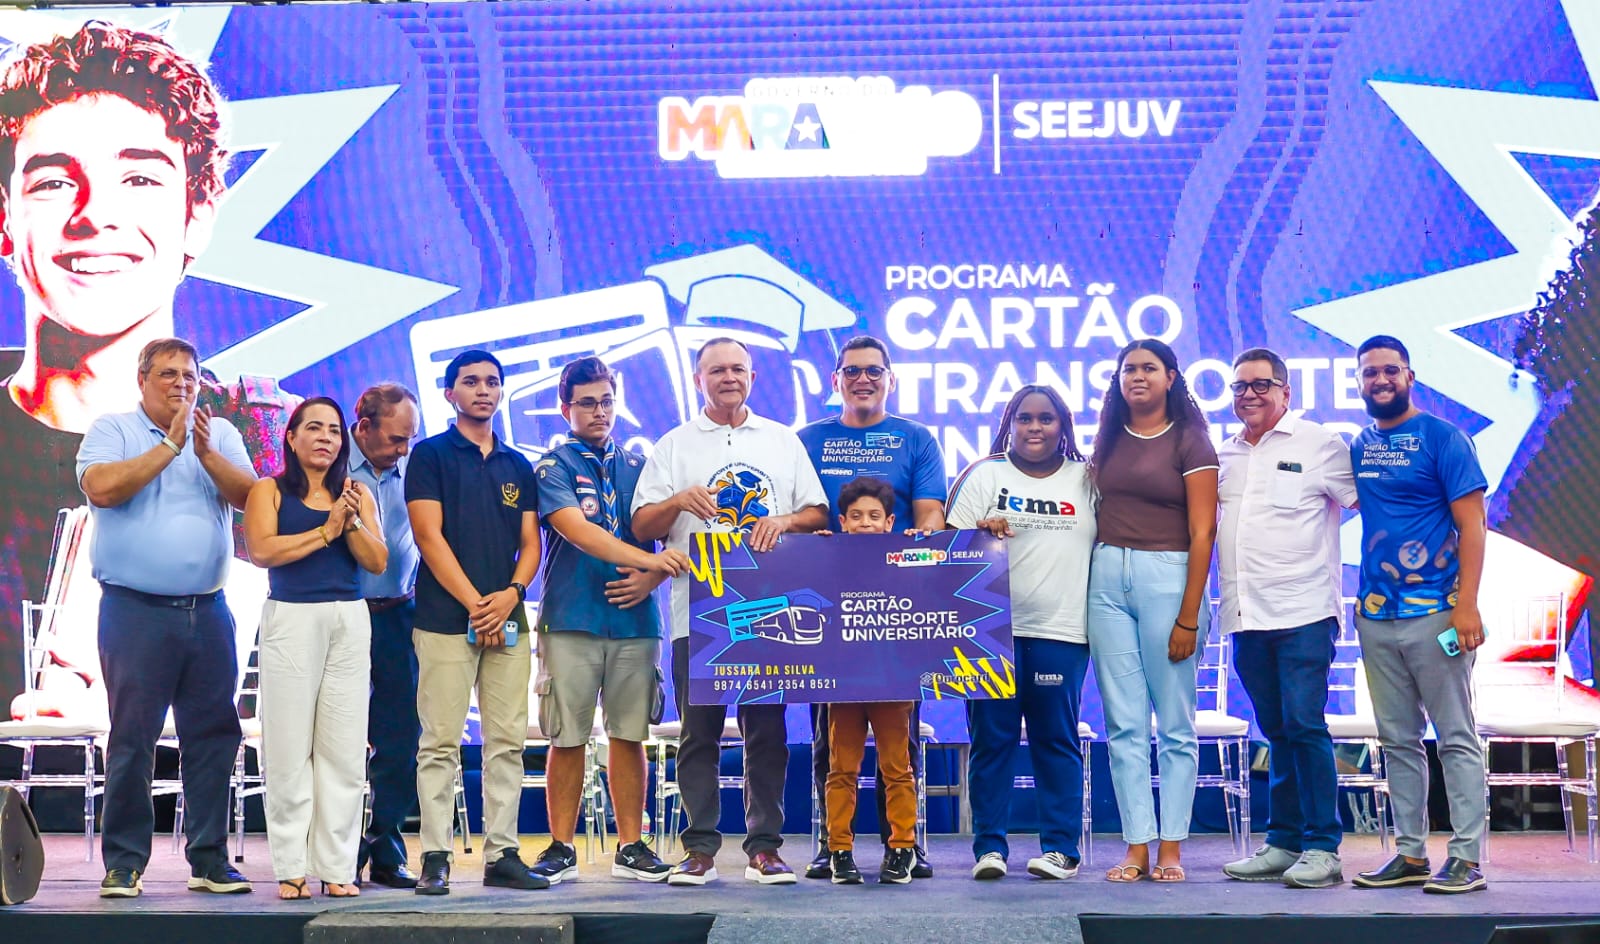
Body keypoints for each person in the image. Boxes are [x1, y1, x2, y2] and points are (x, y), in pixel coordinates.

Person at [0, 22, 296, 713]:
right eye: (53, 182)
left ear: (199, 214)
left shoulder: (271, 440)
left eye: (138, 177)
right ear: (6, 218)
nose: (95, 215)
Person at [632, 336, 828, 886]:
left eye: (738, 369)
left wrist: (783, 521)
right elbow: (642, 524)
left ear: (752, 377)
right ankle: (699, 850)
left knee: (767, 732)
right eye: (716, 370)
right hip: (697, 611)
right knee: (699, 734)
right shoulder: (674, 444)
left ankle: (765, 849)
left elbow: (817, 513)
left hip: (769, 611)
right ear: (699, 380)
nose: (728, 378)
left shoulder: (782, 440)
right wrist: (677, 501)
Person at [76, 337, 257, 898]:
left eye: (190, 375)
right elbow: (101, 489)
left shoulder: (219, 433)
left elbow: (252, 498)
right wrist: (171, 445)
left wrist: (204, 453)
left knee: (214, 736)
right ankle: (124, 863)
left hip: (209, 610)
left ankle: (209, 860)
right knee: (133, 738)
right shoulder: (112, 429)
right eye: (168, 374)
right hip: (135, 610)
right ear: (142, 379)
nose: (182, 383)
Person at [529, 355, 689, 884]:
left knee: (629, 734)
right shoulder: (552, 467)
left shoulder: (642, 466)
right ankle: (560, 846)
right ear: (565, 408)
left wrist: (652, 578)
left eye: (606, 401)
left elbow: (671, 539)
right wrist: (650, 562)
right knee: (567, 737)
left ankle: (631, 846)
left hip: (635, 622)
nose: (599, 412)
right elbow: (579, 531)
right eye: (587, 403)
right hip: (571, 618)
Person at [797, 335, 945, 880]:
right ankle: (830, 846)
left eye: (874, 371)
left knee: (898, 750)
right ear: (835, 378)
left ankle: (902, 846)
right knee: (831, 748)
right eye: (853, 370)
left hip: (896, 619)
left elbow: (930, 517)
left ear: (890, 378)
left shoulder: (916, 439)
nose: (863, 379)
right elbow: (798, 515)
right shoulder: (807, 440)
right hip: (827, 621)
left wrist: (915, 545)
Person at [1347, 335, 1489, 895]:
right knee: (1397, 740)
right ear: (1360, 382)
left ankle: (1467, 858)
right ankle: (1410, 854)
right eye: (1370, 373)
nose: (1380, 380)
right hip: (1375, 616)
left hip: (1438, 615)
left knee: (1455, 736)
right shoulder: (1360, 445)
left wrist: (1467, 605)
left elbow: (1473, 525)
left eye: (1390, 370)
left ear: (1410, 376)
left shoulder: (1444, 438)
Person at [1215, 349, 1357, 888]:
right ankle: (1283, 842)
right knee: (1275, 730)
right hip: (1245, 613)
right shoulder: (1224, 453)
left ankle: (1324, 847)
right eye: (1240, 386)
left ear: (1286, 392)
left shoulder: (1320, 443)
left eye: (1262, 384)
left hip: (1303, 610)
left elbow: (1369, 503)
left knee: (1304, 725)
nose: (1249, 394)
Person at [406, 350, 544, 895]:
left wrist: (511, 596)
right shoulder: (430, 455)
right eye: (470, 382)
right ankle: (435, 857)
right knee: (440, 742)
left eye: (492, 381)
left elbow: (530, 544)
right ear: (450, 394)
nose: (483, 390)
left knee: (507, 741)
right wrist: (476, 604)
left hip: (509, 620)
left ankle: (503, 854)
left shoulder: (518, 465)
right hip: (444, 619)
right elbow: (428, 537)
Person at [947, 385, 1097, 882]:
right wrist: (979, 532)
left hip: (1061, 631)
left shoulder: (1087, 479)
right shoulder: (983, 475)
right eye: (1025, 418)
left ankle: (1061, 850)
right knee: (992, 741)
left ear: (1063, 426)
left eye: (1046, 418)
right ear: (1009, 424)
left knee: (1056, 739)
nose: (1035, 427)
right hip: (988, 633)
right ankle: (990, 848)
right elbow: (949, 552)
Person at [1087, 338, 1218, 884]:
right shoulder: (1109, 436)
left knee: (1175, 725)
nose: (1136, 377)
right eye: (1128, 369)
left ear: (1170, 377)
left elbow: (1204, 531)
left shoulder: (1190, 438)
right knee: (1123, 725)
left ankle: (1171, 848)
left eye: (1148, 368)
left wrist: (1189, 616)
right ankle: (1136, 846)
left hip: (1169, 577)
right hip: (1105, 579)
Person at [244, 398, 387, 900]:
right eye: (314, 428)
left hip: (349, 619)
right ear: (291, 437)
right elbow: (262, 550)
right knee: (288, 748)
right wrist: (324, 532)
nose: (326, 437)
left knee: (344, 750)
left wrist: (349, 522)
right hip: (292, 618)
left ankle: (338, 866)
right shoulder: (269, 490)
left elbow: (378, 560)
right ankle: (291, 867)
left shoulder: (356, 493)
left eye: (333, 430)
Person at [814, 476, 920, 886]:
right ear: (841, 522)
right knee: (841, 769)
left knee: (897, 768)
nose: (865, 523)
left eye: (874, 516)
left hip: (892, 682)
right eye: (855, 516)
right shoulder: (827, 557)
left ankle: (902, 847)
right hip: (843, 683)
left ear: (890, 522)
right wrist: (812, 553)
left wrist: (919, 548)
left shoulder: (906, 560)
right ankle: (839, 850)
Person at [348, 382, 423, 889]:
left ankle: (387, 844)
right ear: (363, 428)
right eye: (396, 438)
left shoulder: (417, 470)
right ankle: (341, 845)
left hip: (399, 613)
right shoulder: (333, 464)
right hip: (342, 614)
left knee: (400, 736)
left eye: (410, 438)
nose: (404, 448)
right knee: (339, 736)